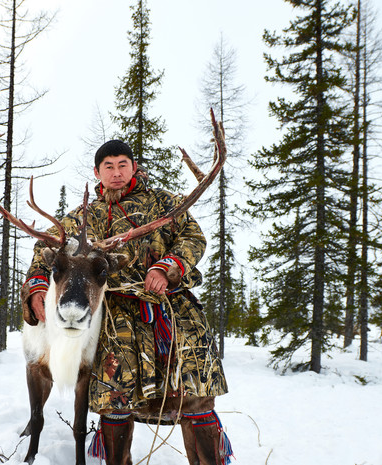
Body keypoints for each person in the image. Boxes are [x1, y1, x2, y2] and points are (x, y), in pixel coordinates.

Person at [21, 140, 231, 465]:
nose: (116, 172)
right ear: (97, 172)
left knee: (195, 390)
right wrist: (36, 286)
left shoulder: (164, 203)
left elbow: (193, 236)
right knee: (114, 397)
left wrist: (168, 267)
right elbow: (47, 249)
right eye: (109, 166)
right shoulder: (82, 218)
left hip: (170, 308)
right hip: (116, 316)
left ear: (133, 167)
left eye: (123, 165)